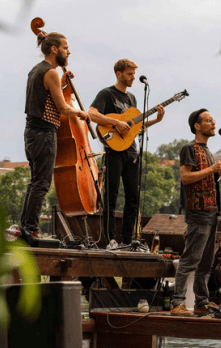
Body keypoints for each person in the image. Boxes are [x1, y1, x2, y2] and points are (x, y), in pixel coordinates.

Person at [19, 31, 88, 246]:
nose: (69, 51)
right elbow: (62, 108)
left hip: (32, 132)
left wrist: (64, 86)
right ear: (54, 49)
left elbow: (48, 98)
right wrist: (81, 114)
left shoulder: (36, 70)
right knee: (41, 183)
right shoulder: (50, 73)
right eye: (66, 47)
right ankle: (30, 230)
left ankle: (25, 228)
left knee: (35, 183)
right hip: (44, 133)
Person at [88, 59, 165, 248]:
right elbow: (91, 114)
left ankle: (128, 240)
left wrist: (156, 120)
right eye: (130, 74)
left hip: (131, 152)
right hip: (113, 152)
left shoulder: (132, 99)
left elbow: (134, 128)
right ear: (119, 74)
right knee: (111, 196)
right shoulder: (106, 94)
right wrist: (116, 123)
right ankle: (110, 239)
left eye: (134, 74)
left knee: (133, 198)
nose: (133, 77)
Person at [171, 109, 221, 316]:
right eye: (208, 121)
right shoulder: (189, 148)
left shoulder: (208, 151)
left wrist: (217, 171)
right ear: (197, 125)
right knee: (190, 260)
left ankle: (201, 301)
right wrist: (212, 170)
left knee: (206, 262)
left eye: (213, 120)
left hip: (211, 212)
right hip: (198, 212)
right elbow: (186, 177)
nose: (213, 123)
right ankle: (177, 302)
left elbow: (207, 179)